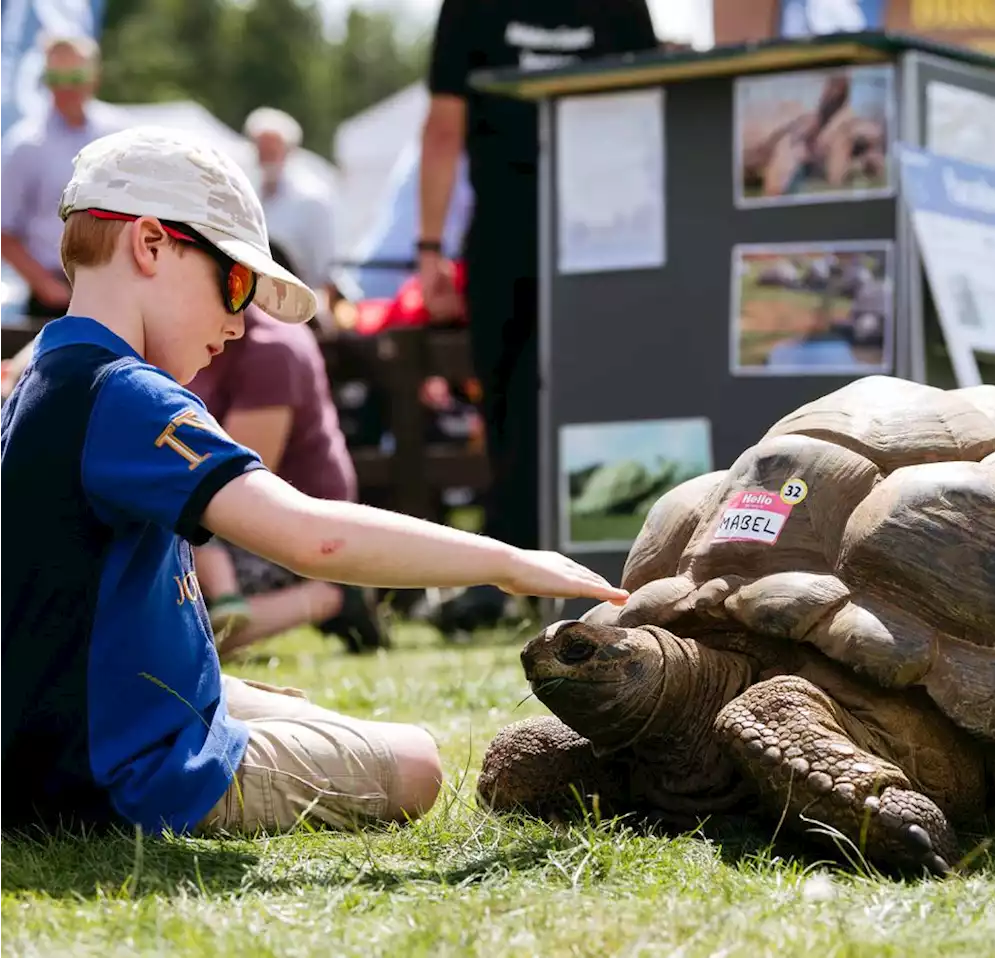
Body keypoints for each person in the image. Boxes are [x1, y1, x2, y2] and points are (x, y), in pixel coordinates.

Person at [0, 125, 627, 837]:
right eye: (234, 283)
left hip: (50, 749)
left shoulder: (35, 376)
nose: (240, 324)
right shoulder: (126, 393)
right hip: (123, 777)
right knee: (417, 760)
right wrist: (508, 561)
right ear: (150, 244)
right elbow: (312, 538)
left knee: (305, 712)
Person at [418, 0, 662, 633]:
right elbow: (443, 126)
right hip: (514, 230)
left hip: (611, 229)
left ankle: (618, 564)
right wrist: (427, 247)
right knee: (506, 402)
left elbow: (652, 107)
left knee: (598, 391)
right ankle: (510, 571)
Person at [186, 304, 389, 658]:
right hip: (219, 513)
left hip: (290, 530)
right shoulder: (191, 338)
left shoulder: (271, 350)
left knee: (171, 608)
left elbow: (232, 483)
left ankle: (331, 598)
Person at [0, 35, 123, 322]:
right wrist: (46, 287)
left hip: (114, 289)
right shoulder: (25, 144)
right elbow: (4, 231)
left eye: (75, 76)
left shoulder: (118, 134)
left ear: (94, 76)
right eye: (55, 77)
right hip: (53, 299)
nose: (65, 87)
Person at [242, 107, 337, 310]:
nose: (265, 158)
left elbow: (325, 270)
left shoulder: (312, 200)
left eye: (271, 151)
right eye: (261, 150)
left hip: (301, 304)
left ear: (288, 151)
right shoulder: (248, 193)